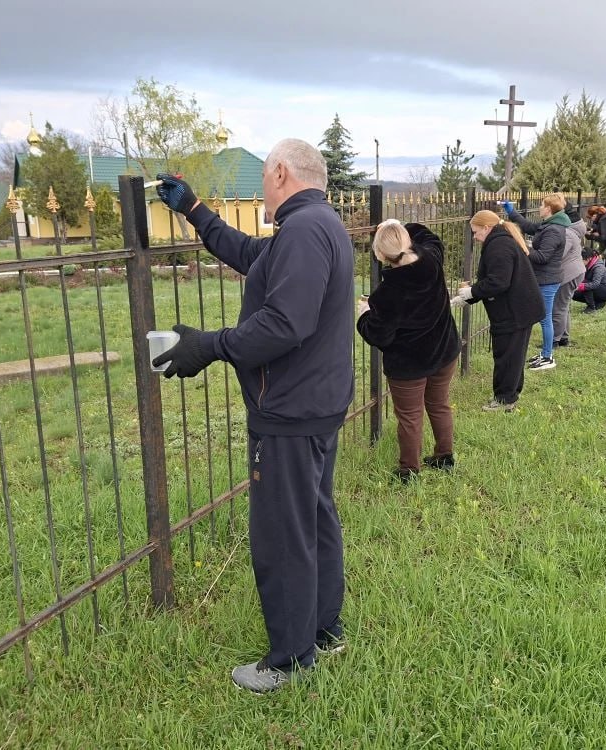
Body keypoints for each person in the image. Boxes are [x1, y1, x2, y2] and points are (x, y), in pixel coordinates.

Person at [151, 139, 352, 694]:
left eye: (264, 178)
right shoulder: (311, 226)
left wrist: (208, 345)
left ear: (281, 172)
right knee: (312, 518)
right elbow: (249, 254)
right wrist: (194, 210)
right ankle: (322, 628)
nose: (261, 190)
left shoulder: (306, 231)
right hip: (313, 402)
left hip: (290, 408)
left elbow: (284, 324)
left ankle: (290, 658)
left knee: (283, 534)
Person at [356, 220, 460, 483]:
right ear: (408, 240)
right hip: (444, 350)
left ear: (380, 256)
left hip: (409, 364)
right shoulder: (432, 259)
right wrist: (395, 226)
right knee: (439, 404)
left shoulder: (387, 293)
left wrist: (364, 314)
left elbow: (379, 335)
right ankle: (444, 456)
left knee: (410, 417)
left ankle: (409, 471)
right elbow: (428, 234)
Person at [452, 210, 542, 411]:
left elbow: (498, 282)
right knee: (514, 355)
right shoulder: (502, 240)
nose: (475, 237)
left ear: (486, 227)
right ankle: (510, 395)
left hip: (513, 311)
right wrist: (471, 296)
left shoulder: (498, 245)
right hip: (520, 308)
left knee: (507, 356)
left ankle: (504, 400)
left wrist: (470, 292)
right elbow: (495, 280)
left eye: (476, 232)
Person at [501, 195, 567, 371]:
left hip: (547, 280)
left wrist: (522, 246)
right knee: (540, 316)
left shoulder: (553, 230)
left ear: (549, 209)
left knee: (545, 318)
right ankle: (545, 354)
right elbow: (529, 227)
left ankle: (548, 357)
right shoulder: (548, 224)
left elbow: (542, 257)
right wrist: (511, 211)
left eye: (542, 205)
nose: (539, 207)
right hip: (543, 278)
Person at [551, 202, 586, 348]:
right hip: (573, 272)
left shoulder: (568, 233)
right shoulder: (572, 231)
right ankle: (563, 337)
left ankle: (555, 340)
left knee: (557, 308)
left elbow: (557, 254)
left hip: (568, 274)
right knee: (564, 307)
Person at [572, 247, 606, 312]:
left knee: (586, 285)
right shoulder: (587, 264)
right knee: (573, 294)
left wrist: (580, 286)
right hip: (600, 289)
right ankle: (599, 302)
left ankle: (591, 308)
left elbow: (595, 284)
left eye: (580, 260)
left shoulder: (598, 267)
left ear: (588, 259)